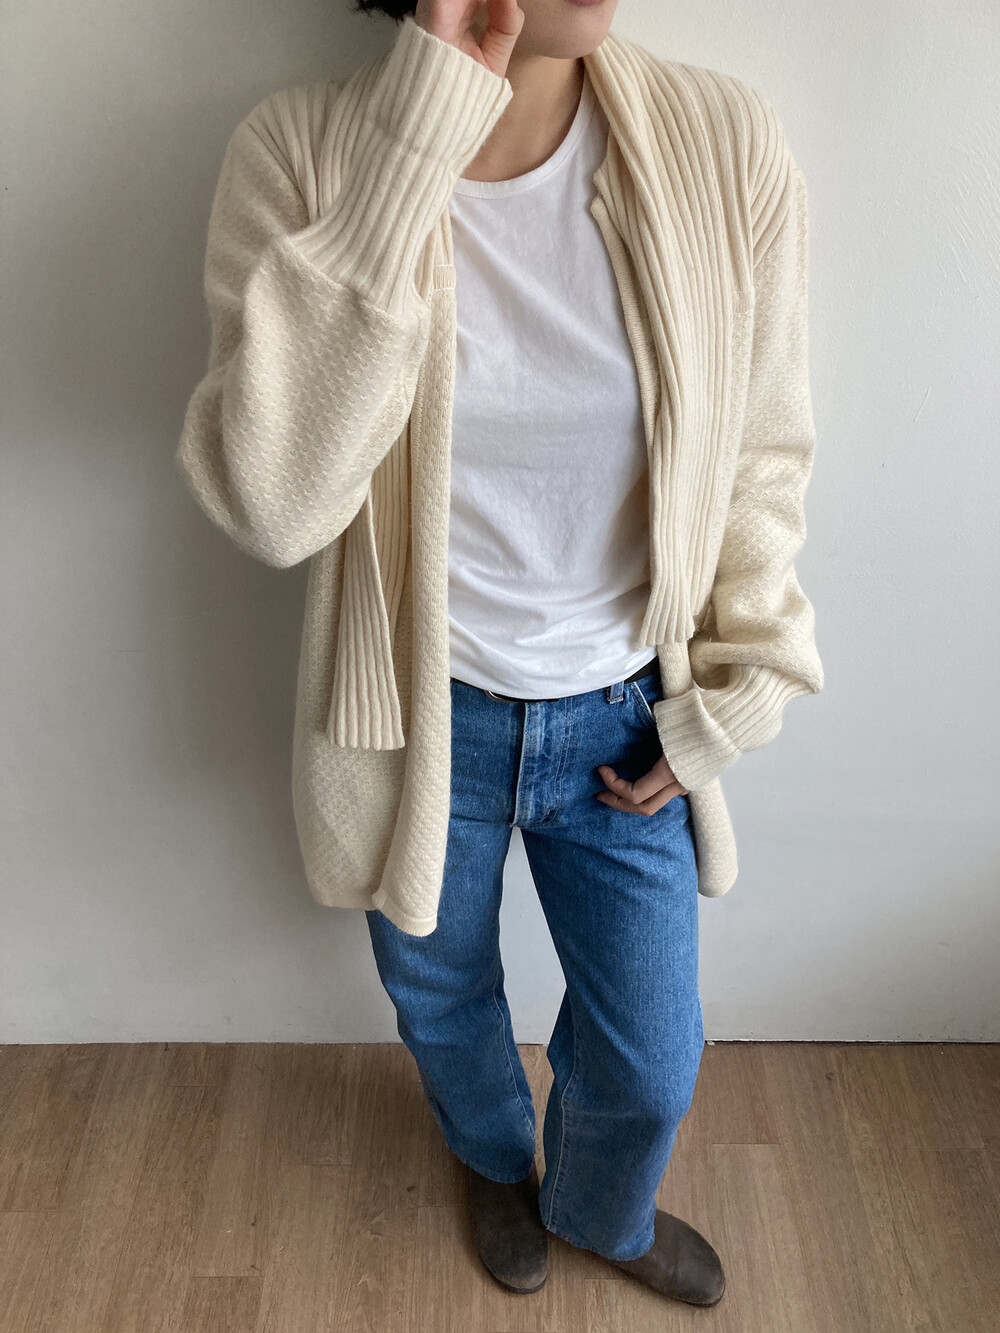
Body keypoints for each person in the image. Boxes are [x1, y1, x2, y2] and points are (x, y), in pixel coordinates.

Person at [176, 0, 824, 1308]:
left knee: (653, 1057)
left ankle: (595, 1203)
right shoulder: (299, 154)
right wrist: (413, 147)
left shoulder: (723, 142)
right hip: (417, 720)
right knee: (443, 992)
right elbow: (272, 503)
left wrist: (736, 691)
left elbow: (761, 454)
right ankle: (490, 1155)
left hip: (625, 720)